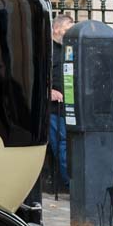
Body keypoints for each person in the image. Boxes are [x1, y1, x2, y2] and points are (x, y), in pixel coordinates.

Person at [50, 14, 74, 190]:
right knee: (61, 142)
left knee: (66, 142)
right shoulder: (46, 49)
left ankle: (70, 180)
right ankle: (68, 182)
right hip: (52, 108)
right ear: (57, 28)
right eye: (67, 29)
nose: (69, 33)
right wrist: (48, 91)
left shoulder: (68, 48)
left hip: (69, 105)